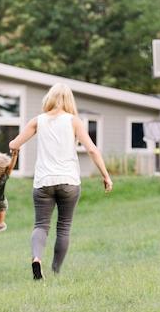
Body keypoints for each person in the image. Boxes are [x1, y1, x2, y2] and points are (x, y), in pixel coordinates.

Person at [9, 82, 113, 280]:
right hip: (69, 181)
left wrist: (13, 153)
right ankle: (55, 271)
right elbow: (91, 149)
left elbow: (14, 144)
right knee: (64, 227)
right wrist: (106, 175)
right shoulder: (74, 121)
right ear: (69, 100)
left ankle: (37, 259)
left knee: (41, 225)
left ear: (49, 98)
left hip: (43, 181)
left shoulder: (37, 121)